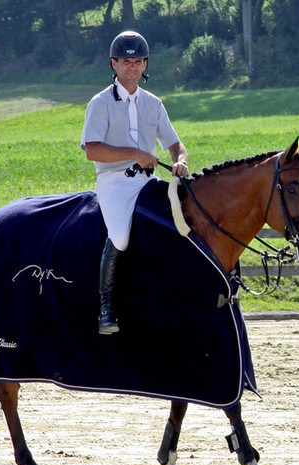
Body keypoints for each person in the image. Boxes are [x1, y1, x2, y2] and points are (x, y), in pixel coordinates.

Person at [81, 30, 189, 335]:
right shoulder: (99, 103)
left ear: (145, 65)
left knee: (179, 225)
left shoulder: (154, 104)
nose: (132, 66)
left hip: (148, 181)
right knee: (122, 238)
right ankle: (105, 308)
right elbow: (92, 150)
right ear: (114, 63)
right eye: (126, 61)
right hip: (113, 182)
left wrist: (180, 160)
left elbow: (175, 145)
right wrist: (135, 153)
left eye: (138, 61)